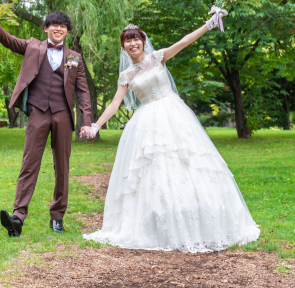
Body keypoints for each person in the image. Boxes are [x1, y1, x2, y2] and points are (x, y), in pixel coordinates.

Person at [81, 16, 260, 252]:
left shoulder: (158, 58)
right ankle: (160, 218)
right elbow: (115, 103)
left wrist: (208, 25)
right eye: (128, 41)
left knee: (188, 160)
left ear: (143, 41)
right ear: (123, 46)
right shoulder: (126, 75)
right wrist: (95, 125)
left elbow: (184, 42)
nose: (133, 44)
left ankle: (199, 212)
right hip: (147, 122)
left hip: (174, 114)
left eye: (136, 39)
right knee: (155, 168)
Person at [0, 1, 92, 236]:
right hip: (38, 112)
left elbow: (83, 91)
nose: (58, 29)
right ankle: (17, 217)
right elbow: (7, 39)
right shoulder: (32, 46)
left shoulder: (75, 58)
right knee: (29, 163)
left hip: (63, 115)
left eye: (63, 26)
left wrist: (86, 121)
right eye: (54, 25)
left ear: (67, 32)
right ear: (46, 28)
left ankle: (57, 216)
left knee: (62, 167)